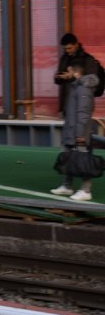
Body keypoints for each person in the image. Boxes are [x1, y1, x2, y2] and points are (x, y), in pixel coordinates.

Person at [51, 62, 98, 201]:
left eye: (68, 72)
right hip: (71, 131)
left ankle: (86, 190)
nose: (66, 75)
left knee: (83, 160)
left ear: (75, 72)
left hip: (79, 133)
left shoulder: (83, 89)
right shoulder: (75, 87)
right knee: (67, 157)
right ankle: (66, 186)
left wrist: (80, 135)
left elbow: (83, 114)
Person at [54, 33, 98, 115]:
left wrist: (73, 76)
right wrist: (59, 77)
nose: (67, 51)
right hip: (66, 105)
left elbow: (92, 81)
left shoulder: (87, 59)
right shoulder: (64, 58)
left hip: (81, 105)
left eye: (69, 48)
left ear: (76, 45)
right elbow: (58, 79)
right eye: (65, 49)